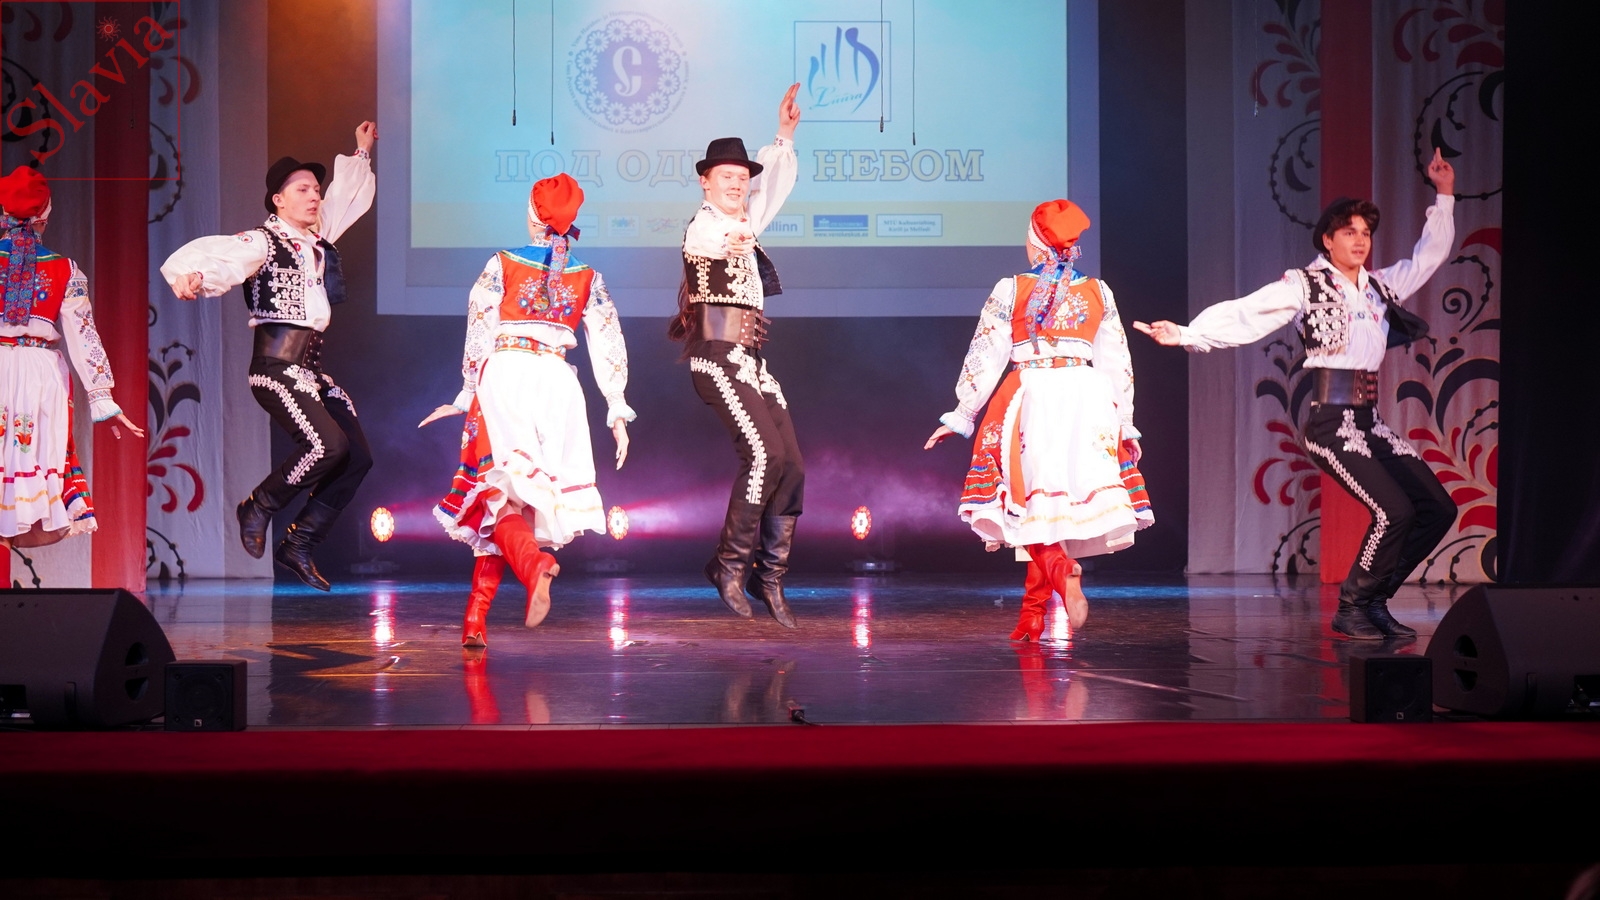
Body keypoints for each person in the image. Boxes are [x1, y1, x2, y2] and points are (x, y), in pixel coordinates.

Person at [1133, 149, 1458, 640]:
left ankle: (1374, 601)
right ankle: (1353, 606)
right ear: (1328, 240)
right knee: (1394, 511)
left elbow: (1428, 257)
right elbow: (1248, 312)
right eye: (1348, 232)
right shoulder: (1304, 285)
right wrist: (1187, 333)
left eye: (1365, 233)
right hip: (1330, 422)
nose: (1360, 240)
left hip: (1369, 420)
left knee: (1437, 508)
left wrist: (1445, 194)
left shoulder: (1380, 287)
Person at [419, 173, 633, 648]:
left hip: (508, 374)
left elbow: (480, 325)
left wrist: (466, 391)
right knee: (511, 500)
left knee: (499, 494)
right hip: (558, 383)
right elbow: (609, 342)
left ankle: (535, 566)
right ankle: (475, 620)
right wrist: (616, 405)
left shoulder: (502, 262)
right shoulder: (589, 276)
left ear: (534, 214)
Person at [161, 121, 377, 591]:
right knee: (327, 447)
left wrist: (361, 152)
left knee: (358, 456)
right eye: (303, 190)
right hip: (276, 368)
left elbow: (346, 199)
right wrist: (192, 276)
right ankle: (258, 505)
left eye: (316, 190)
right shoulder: (262, 241)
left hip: (311, 370)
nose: (315, 196)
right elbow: (220, 259)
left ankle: (299, 542)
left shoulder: (318, 238)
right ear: (279, 200)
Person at [926, 200, 1152, 640]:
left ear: (1035, 241)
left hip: (1034, 393)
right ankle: (1031, 616)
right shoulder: (1100, 291)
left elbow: (986, 353)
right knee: (1054, 509)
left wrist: (963, 413)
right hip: (1088, 398)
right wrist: (1125, 423)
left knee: (1026, 503)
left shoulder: (1011, 289)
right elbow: (1117, 361)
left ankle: (1060, 570)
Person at [666, 84, 802, 628]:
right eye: (727, 176)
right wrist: (733, 241)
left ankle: (769, 576)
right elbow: (712, 240)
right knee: (764, 455)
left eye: (743, 178)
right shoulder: (705, 226)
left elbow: (773, 192)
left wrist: (784, 135)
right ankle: (728, 565)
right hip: (717, 357)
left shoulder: (744, 219)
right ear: (705, 181)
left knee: (791, 465)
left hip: (750, 361)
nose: (737, 184)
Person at [0, 167, 144, 548]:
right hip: (38, 376)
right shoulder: (65, 269)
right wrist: (102, 397)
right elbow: (84, 335)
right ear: (44, 215)